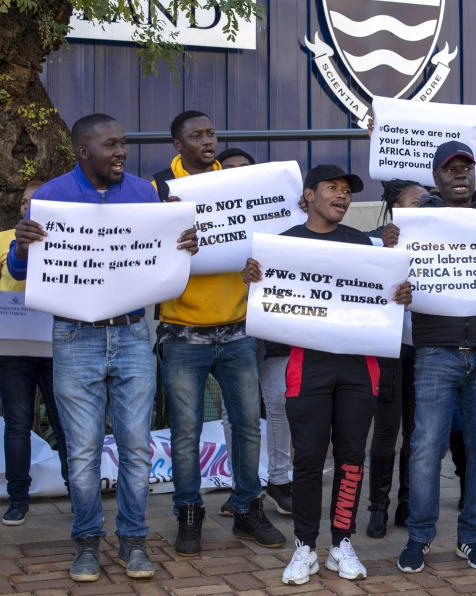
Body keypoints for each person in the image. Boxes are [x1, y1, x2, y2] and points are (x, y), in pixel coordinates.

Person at [5, 113, 198, 581]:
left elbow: (160, 259)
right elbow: (20, 270)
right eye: (110, 145)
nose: (121, 152)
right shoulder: (50, 197)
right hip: (75, 337)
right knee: (83, 451)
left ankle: (133, 541)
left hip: (132, 334)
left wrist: (185, 246)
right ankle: (87, 543)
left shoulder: (144, 193)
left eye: (123, 143)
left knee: (135, 448)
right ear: (82, 151)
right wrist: (22, 246)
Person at [242, 164, 412, 585]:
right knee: (308, 459)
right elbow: (265, 297)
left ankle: (340, 542)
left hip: (361, 365)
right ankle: (304, 546)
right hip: (306, 365)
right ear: (308, 196)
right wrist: (252, 281)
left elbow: (389, 293)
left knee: (352, 457)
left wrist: (401, 293)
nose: (341, 195)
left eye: (346, 190)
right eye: (332, 188)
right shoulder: (282, 246)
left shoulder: (364, 245)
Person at [153, 110, 285, 556]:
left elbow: (266, 237)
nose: (208, 141)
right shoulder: (158, 191)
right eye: (196, 135)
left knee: (248, 425)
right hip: (182, 332)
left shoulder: (236, 184)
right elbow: (145, 257)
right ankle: (188, 513)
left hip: (237, 329)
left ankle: (247, 508)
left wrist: (259, 263)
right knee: (186, 432)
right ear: (177, 145)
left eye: (211, 133)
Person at [397, 141, 476, 574]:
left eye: (466, 167)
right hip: (435, 352)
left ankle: (472, 537)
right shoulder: (415, 225)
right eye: (451, 169)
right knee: (425, 448)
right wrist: (392, 253)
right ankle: (420, 537)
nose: (460, 174)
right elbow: (390, 276)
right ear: (437, 177)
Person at [207, 147, 294, 518]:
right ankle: (242, 483)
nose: (239, 175)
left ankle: (281, 479)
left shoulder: (277, 212)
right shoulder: (208, 210)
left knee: (279, 401)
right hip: (230, 322)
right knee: (234, 409)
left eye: (246, 170)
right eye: (230, 170)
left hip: (274, 320)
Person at [0, 181, 70, 526]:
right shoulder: (1, 239)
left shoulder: (68, 239)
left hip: (58, 342)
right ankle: (18, 498)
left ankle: (79, 493)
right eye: (26, 201)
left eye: (39, 201)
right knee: (17, 423)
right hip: (13, 345)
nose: (31, 206)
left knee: (66, 423)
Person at [366, 179, 424, 538]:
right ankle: (377, 508)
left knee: (418, 432)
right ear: (396, 207)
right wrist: (383, 249)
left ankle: (408, 503)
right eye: (416, 202)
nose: (424, 207)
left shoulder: (440, 237)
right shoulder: (372, 239)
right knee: (387, 429)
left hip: (426, 347)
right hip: (388, 348)